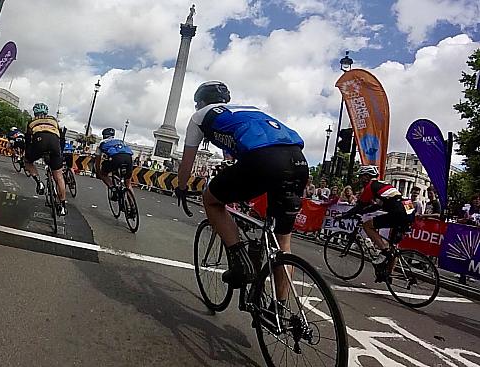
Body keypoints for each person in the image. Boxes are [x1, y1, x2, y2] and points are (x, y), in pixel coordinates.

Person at [175, 81, 308, 299]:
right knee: (283, 242)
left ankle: (241, 264)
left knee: (211, 200)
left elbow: (187, 162)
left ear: (200, 102)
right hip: (298, 160)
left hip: (264, 160)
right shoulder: (250, 110)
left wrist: (181, 188)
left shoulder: (200, 116)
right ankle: (280, 311)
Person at [338, 166, 415, 282]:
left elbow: (360, 205)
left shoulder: (370, 187)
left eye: (360, 177)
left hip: (400, 211)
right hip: (409, 209)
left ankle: (384, 251)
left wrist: (344, 216)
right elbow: (377, 206)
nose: (359, 180)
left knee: (367, 225)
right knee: (393, 246)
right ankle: (387, 274)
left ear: (366, 177)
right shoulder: (383, 185)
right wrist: (362, 212)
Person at [24, 103, 66, 216]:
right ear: (46, 112)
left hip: (39, 141)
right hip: (54, 143)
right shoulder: (54, 120)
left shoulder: (32, 121)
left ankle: (39, 183)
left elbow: (27, 139)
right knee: (58, 176)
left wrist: (28, 153)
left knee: (27, 162)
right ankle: (62, 206)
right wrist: (60, 153)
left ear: (35, 113)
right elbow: (62, 138)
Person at [94, 127, 134, 202]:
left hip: (116, 159)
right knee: (128, 184)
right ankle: (133, 206)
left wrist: (98, 172)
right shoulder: (120, 141)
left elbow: (97, 161)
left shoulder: (102, 143)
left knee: (104, 174)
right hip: (128, 158)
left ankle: (113, 188)